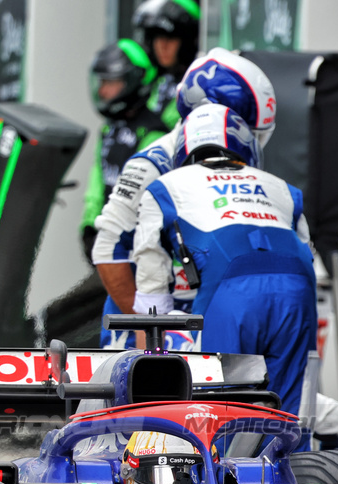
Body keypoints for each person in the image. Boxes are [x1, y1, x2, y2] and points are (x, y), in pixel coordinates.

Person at [132, 104, 316, 415]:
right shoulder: (283, 187)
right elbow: (306, 249)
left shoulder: (163, 188)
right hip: (298, 289)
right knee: (287, 417)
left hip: (231, 292)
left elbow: (152, 302)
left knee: (219, 414)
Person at [92, 48, 276, 326]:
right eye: (248, 132)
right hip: (153, 334)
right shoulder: (152, 164)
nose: (252, 144)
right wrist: (151, 333)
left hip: (210, 323)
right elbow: (108, 250)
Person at [81, 39, 168, 265]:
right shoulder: (109, 129)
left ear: (133, 81)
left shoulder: (154, 134)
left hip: (135, 249)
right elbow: (98, 178)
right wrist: (90, 225)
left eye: (111, 82)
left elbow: (146, 200)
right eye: (101, 82)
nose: (103, 90)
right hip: (106, 239)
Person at [132, 0, 201, 129]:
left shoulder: (198, 82)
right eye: (157, 38)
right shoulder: (147, 82)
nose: (162, 46)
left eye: (170, 38)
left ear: (188, 41)